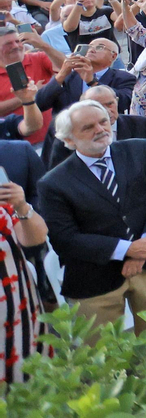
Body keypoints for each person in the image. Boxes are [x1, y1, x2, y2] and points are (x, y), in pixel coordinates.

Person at [37, 99, 146, 335]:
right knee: (104, 355)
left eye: (103, 122)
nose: (100, 129)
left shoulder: (139, 149)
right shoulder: (53, 183)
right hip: (95, 279)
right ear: (68, 139)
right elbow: (65, 239)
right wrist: (127, 249)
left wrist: (145, 244)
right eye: (88, 127)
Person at [0, 136, 48, 382]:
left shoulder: (3, 198)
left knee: (28, 382)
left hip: (18, 305)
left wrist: (21, 205)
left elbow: (36, 239)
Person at [40, 84, 146, 171]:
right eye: (97, 106)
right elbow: (55, 175)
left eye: (110, 104)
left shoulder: (140, 125)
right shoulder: (68, 132)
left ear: (117, 101)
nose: (106, 110)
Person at [34, 36, 136, 116]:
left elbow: (124, 102)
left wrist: (92, 82)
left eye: (100, 47)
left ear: (113, 56)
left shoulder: (124, 78)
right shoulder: (69, 76)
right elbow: (39, 104)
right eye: (89, 47)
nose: (91, 50)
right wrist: (61, 74)